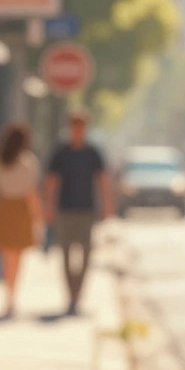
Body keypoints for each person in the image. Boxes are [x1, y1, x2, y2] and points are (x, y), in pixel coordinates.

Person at [45, 111, 114, 316]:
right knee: (66, 253)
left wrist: (107, 206)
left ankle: (78, 294)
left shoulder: (93, 152)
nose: (78, 131)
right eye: (75, 127)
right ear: (70, 128)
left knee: (86, 254)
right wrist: (49, 207)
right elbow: (52, 181)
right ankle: (70, 295)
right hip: (65, 209)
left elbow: (102, 180)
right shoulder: (61, 152)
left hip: (87, 210)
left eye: (81, 127)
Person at [0, 122, 43, 318]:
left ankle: (8, 295)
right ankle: (12, 296)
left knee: (6, 256)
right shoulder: (28, 162)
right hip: (20, 209)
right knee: (17, 256)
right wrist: (37, 215)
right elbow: (31, 192)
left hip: (3, 208)